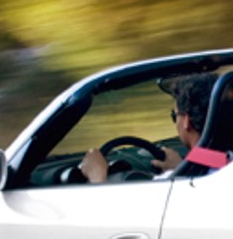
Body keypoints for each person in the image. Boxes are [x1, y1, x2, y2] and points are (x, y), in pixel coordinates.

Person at [78, 72, 216, 184]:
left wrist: (97, 177)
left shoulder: (169, 185)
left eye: (174, 116)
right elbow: (221, 161)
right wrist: (181, 167)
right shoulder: (229, 158)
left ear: (186, 121)